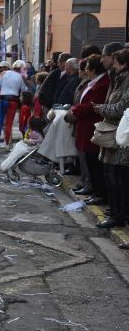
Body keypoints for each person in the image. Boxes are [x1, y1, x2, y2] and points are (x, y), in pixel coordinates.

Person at [65, 55, 109, 204]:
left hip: (92, 125)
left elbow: (92, 105)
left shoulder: (102, 84)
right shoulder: (93, 82)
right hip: (85, 125)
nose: (84, 70)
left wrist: (75, 111)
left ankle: (98, 192)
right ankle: (93, 189)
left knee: (93, 162)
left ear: (93, 69)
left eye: (87, 67)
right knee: (88, 160)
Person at [93, 48, 129, 228]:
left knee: (117, 177)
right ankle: (115, 211)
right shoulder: (118, 80)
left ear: (123, 64)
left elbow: (122, 107)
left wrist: (101, 109)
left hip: (121, 137)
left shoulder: (126, 81)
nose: (111, 66)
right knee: (111, 175)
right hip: (113, 134)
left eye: (115, 63)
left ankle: (118, 215)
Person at [0, 60, 28, 150]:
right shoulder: (20, 77)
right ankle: (7, 144)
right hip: (13, 101)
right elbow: (24, 89)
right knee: (9, 123)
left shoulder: (4, 73)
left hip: (2, 99)